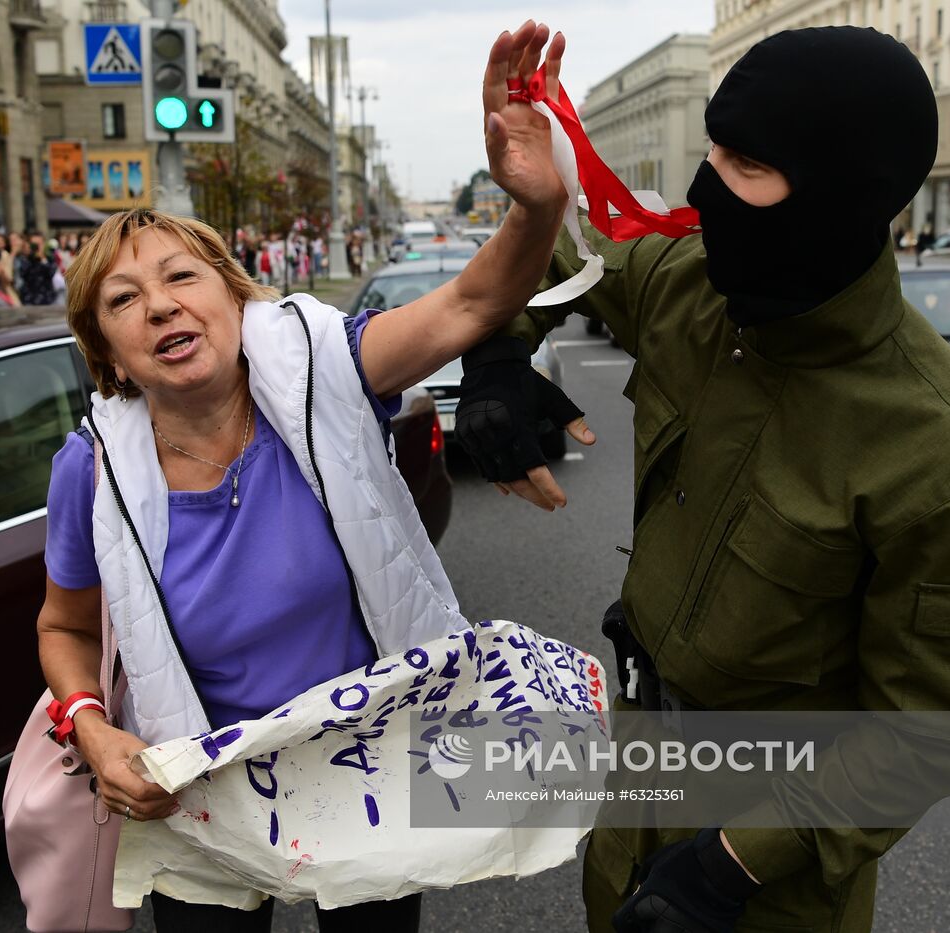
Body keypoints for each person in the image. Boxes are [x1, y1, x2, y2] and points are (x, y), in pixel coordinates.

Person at [452, 27, 950, 933]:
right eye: (713, 146)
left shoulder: (947, 452)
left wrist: (726, 867)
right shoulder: (694, 289)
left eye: (748, 163)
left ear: (846, 195)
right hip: (635, 794)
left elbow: (930, 726)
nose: (706, 187)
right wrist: (494, 353)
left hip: (765, 875)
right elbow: (562, 263)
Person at [34, 21, 568, 933]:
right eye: (124, 300)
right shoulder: (90, 466)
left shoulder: (326, 367)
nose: (160, 302)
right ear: (110, 355)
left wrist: (537, 206)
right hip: (199, 790)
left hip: (364, 768)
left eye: (181, 276)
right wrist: (89, 722)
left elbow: (475, 300)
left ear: (236, 301)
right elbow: (63, 627)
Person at [14, 235, 59, 306]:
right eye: (34, 244)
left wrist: (43, 259)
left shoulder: (49, 257)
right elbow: (22, 273)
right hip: (29, 299)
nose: (36, 247)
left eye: (39, 244)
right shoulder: (25, 258)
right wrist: (30, 257)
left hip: (47, 298)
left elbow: (51, 273)